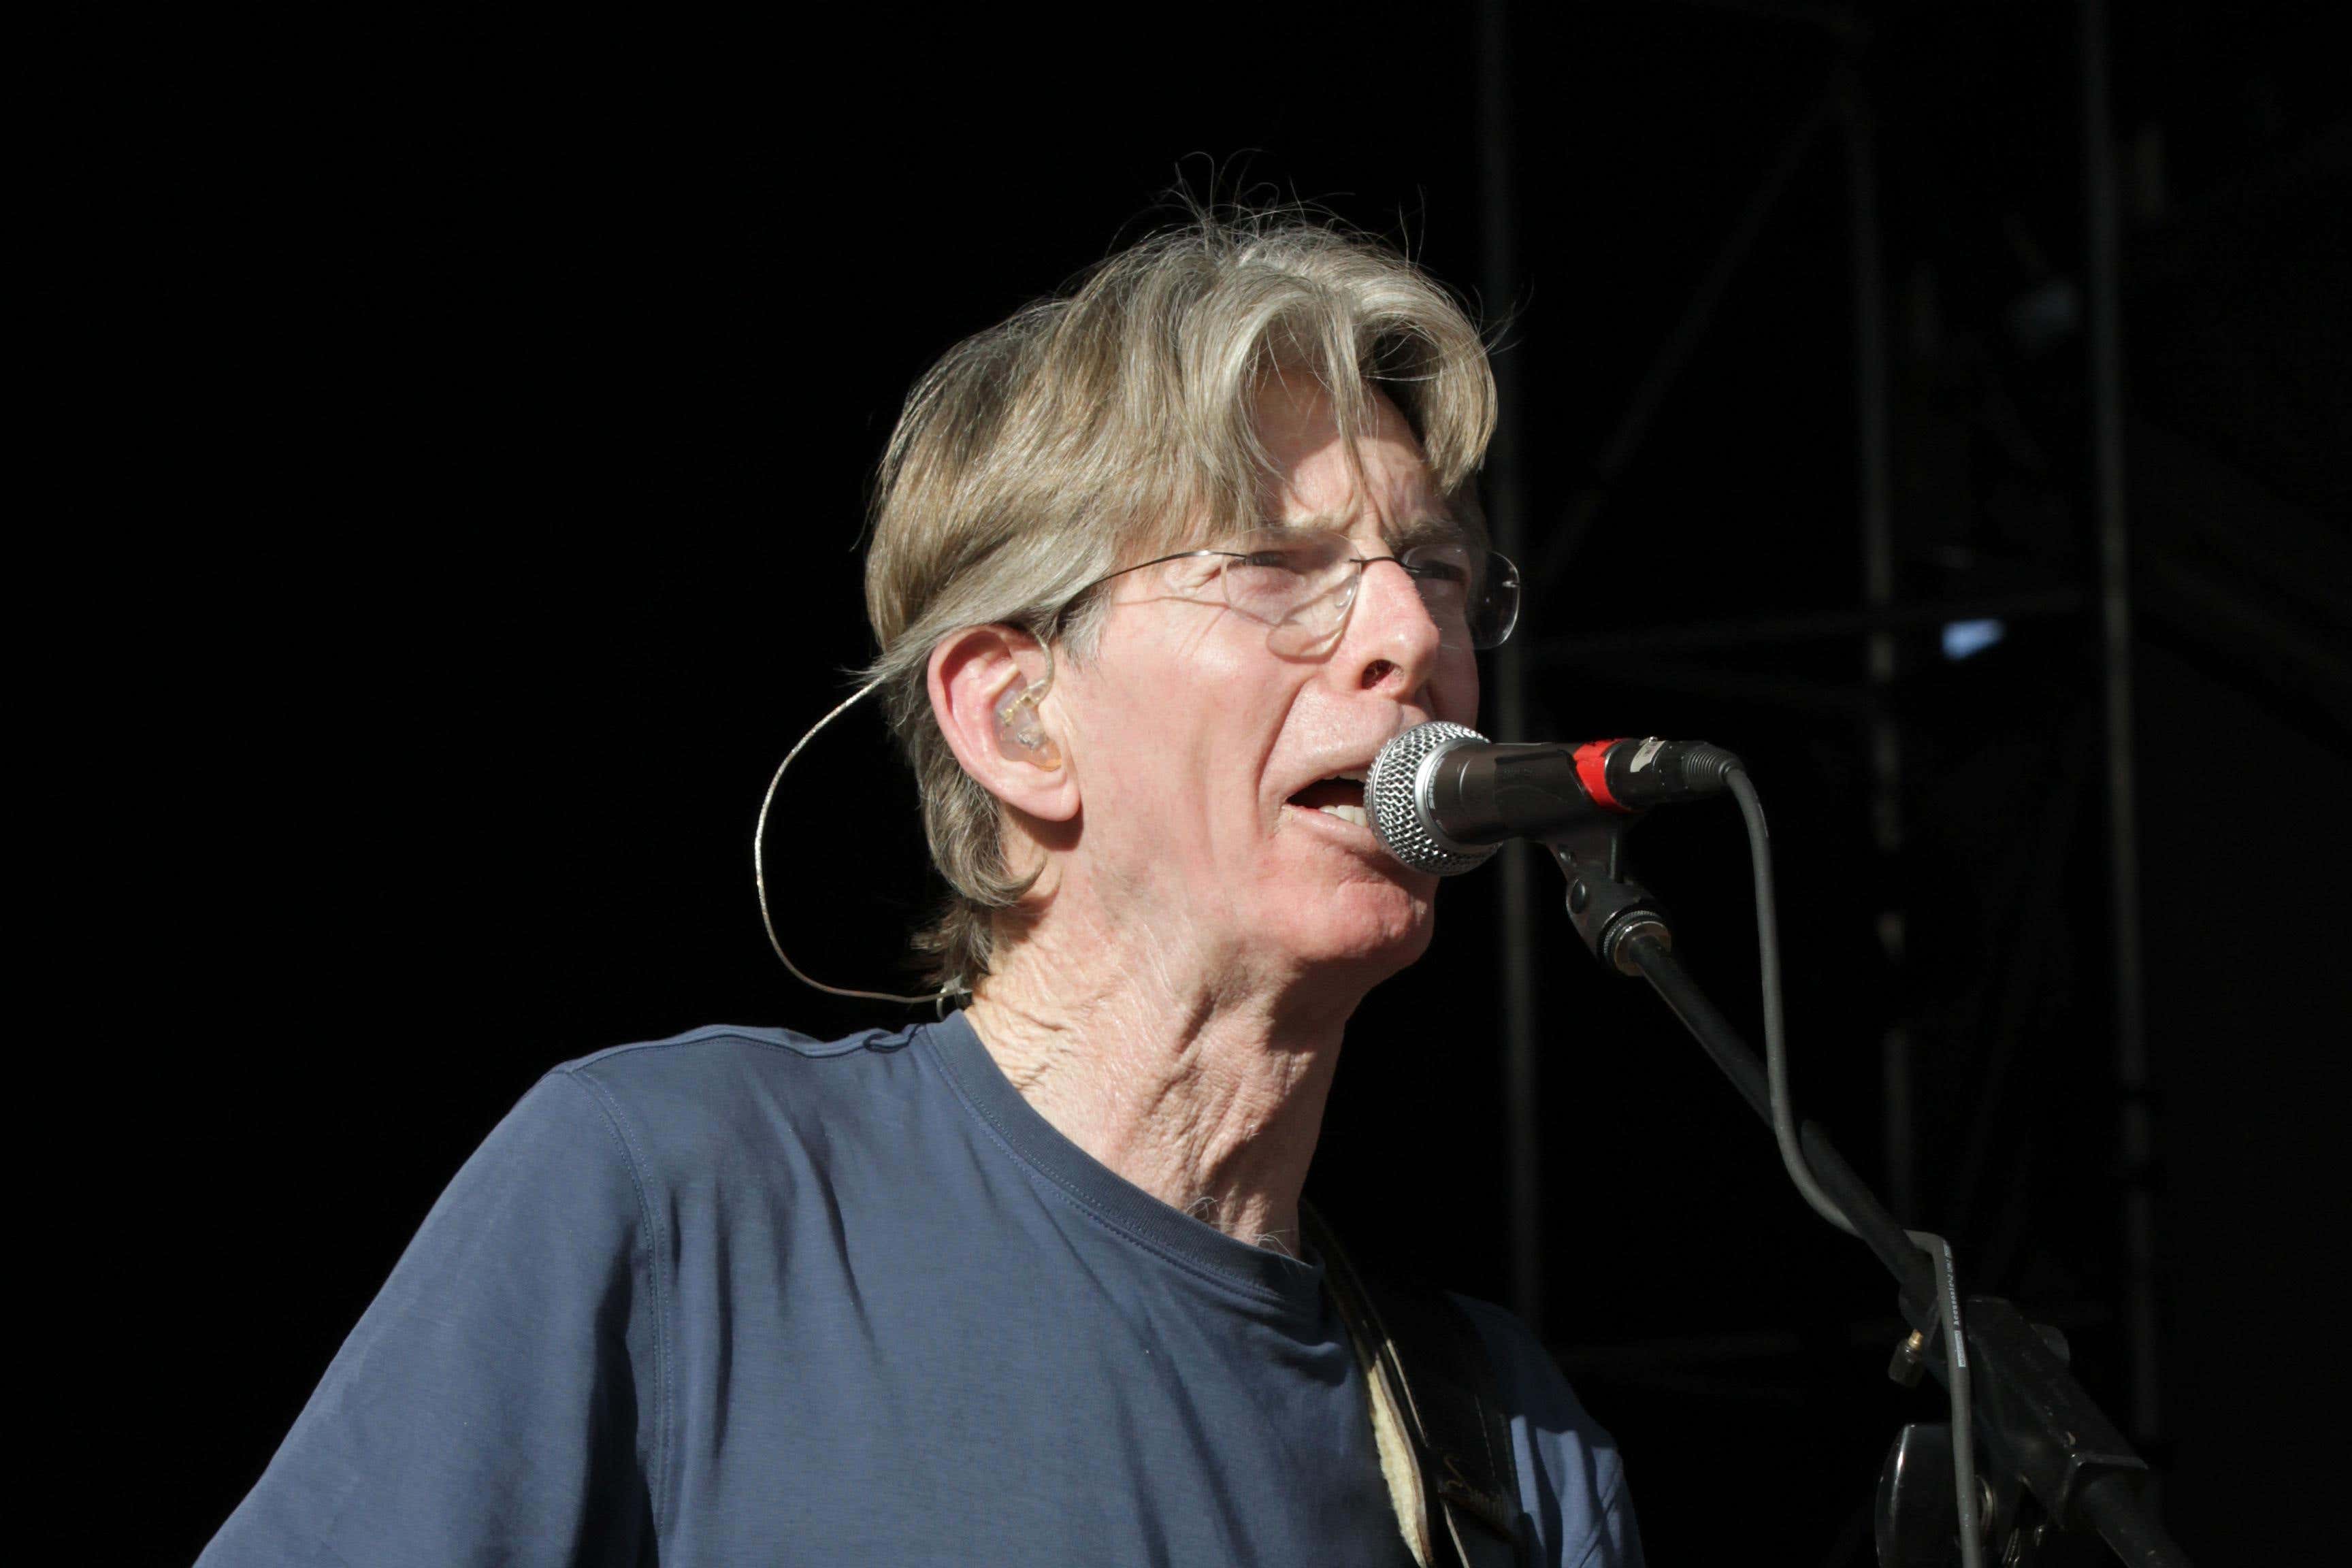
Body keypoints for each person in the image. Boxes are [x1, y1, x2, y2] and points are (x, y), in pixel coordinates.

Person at [199, 211, 1642, 1567]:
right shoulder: (680, 1197)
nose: (1410, 634)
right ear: (1018, 720)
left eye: (1438, 569)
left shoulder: (1509, 1454)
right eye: (1276, 565)